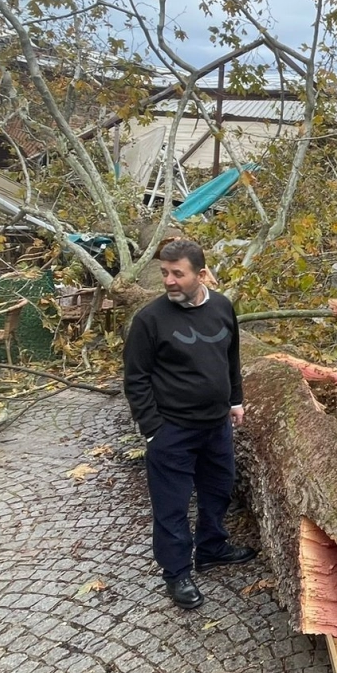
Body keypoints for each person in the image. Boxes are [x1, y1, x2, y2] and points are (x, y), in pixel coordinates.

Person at [123, 238, 256, 609]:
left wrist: (235, 400)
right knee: (172, 506)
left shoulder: (223, 307)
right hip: (172, 431)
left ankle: (211, 548)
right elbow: (135, 378)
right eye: (164, 273)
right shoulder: (149, 320)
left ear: (201, 274)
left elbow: (231, 357)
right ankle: (177, 573)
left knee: (218, 489)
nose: (168, 281)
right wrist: (153, 429)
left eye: (177, 274)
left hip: (216, 426)